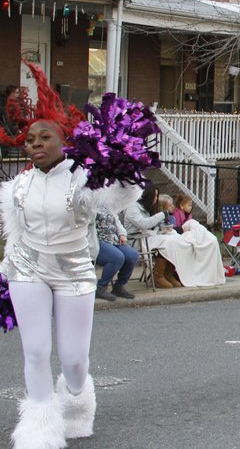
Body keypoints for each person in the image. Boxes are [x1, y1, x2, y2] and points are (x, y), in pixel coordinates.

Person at [0, 63, 143, 448]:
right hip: (27, 269)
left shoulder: (83, 179)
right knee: (34, 350)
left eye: (44, 138)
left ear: (65, 142)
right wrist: (6, 269)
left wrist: (128, 171)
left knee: (73, 358)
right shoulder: (16, 186)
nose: (35, 145)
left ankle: (77, 406)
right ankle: (39, 429)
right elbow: (13, 234)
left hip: (74, 272)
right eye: (30, 140)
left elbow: (117, 198)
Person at [125, 184, 225, 288]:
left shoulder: (145, 208)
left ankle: (169, 273)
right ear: (147, 196)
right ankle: (158, 276)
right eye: (154, 196)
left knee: (178, 239)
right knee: (169, 242)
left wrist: (162, 228)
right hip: (136, 241)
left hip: (147, 236)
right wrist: (162, 215)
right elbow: (143, 224)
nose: (155, 199)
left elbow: (150, 226)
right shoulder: (132, 208)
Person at [93, 211, 139, 302]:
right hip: (96, 241)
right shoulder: (89, 204)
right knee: (117, 257)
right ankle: (101, 287)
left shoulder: (109, 205)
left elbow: (116, 221)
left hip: (113, 239)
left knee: (132, 255)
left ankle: (119, 286)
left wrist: (122, 234)